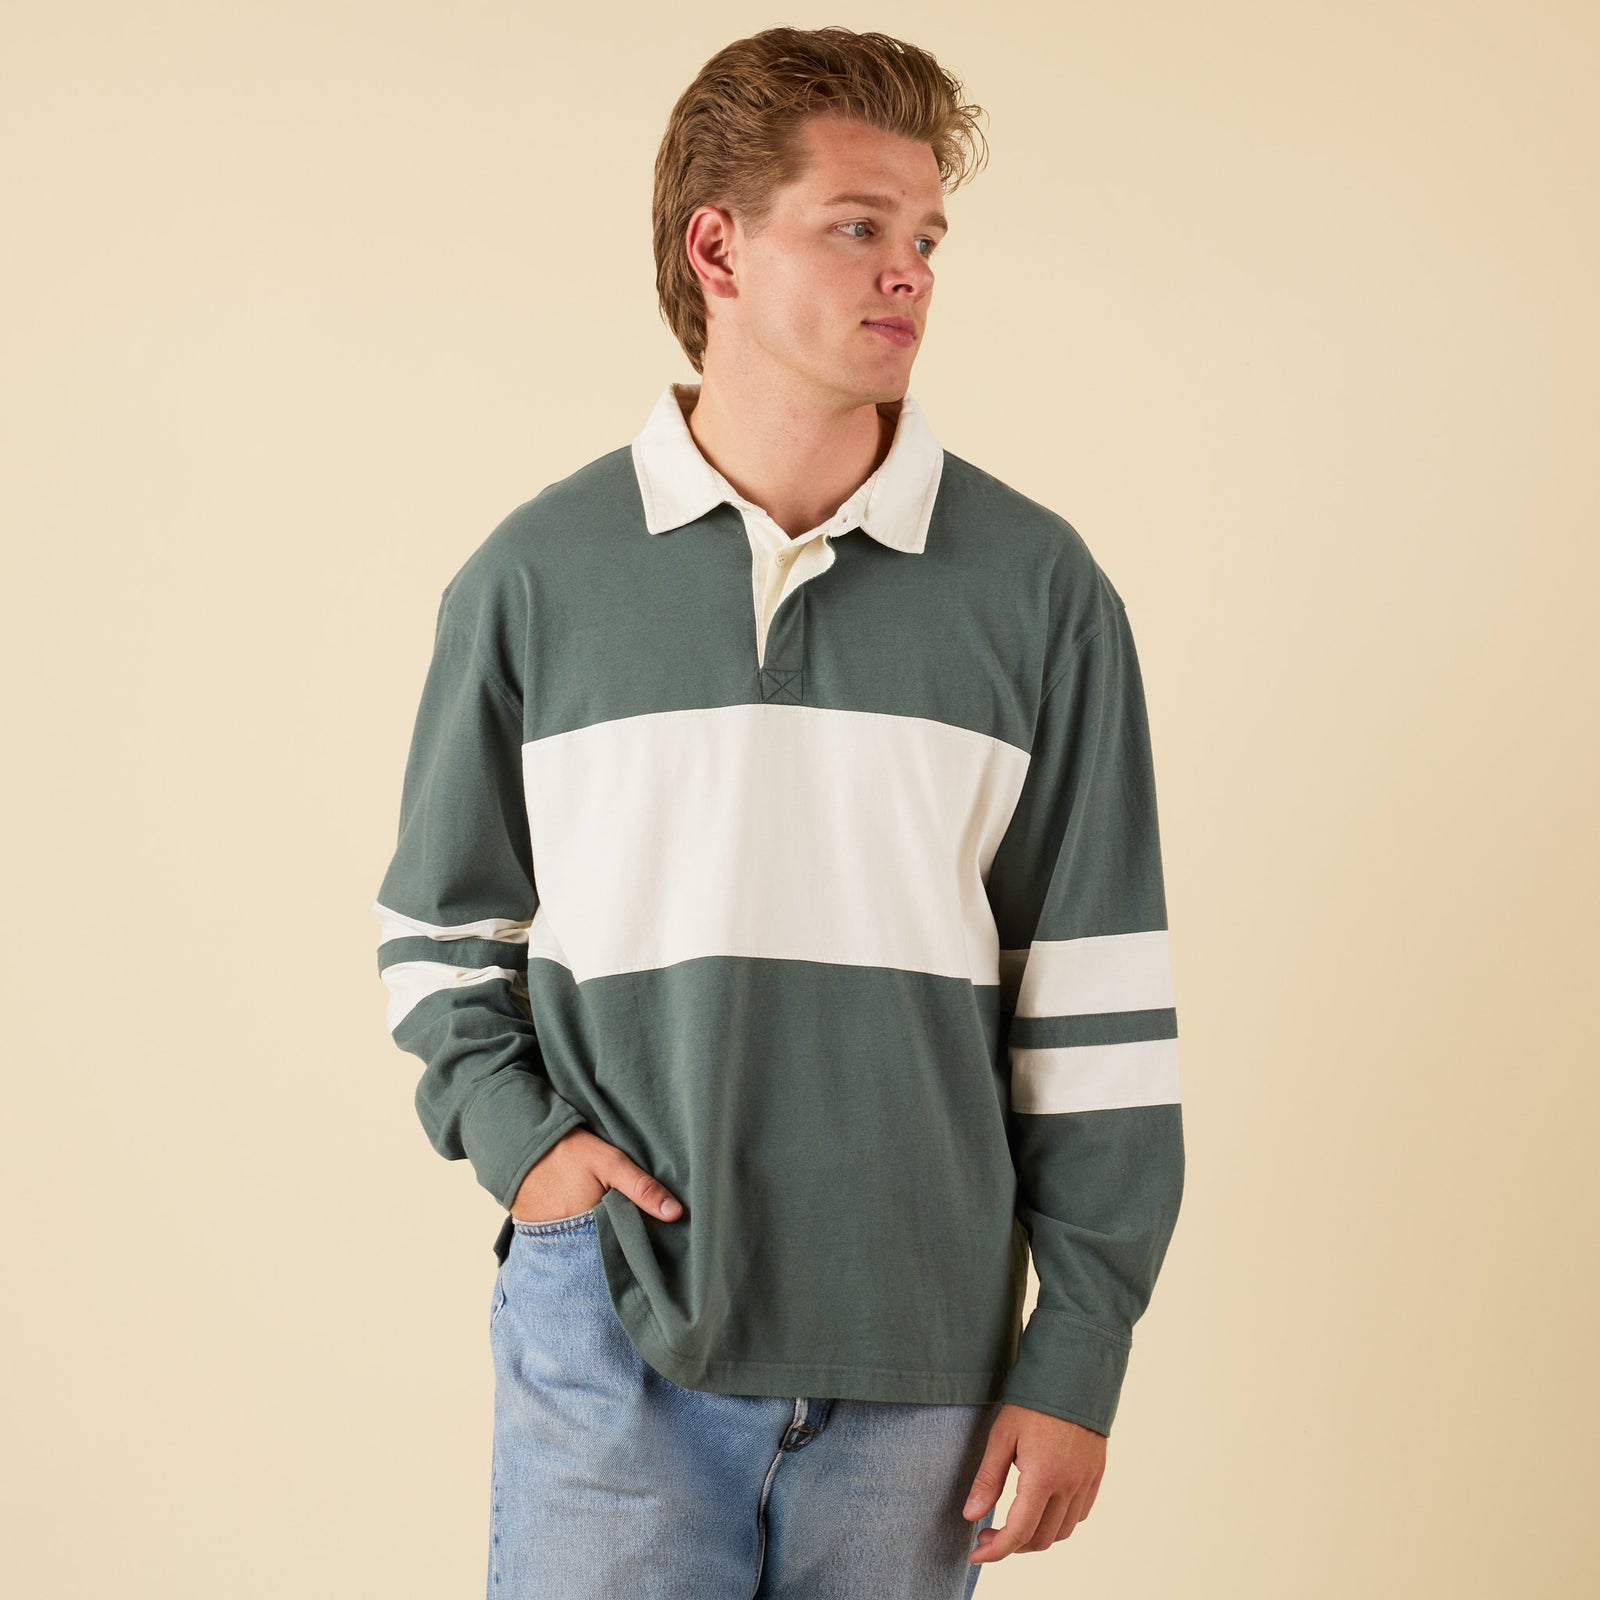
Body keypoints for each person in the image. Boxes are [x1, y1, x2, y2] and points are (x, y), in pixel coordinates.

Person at [372, 24, 1184, 1599]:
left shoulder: (1039, 593)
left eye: (928, 238)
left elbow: (1100, 1009)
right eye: (859, 226)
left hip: (925, 1365)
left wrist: (1078, 1346)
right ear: (718, 245)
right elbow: (436, 932)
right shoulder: (538, 578)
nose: (910, 275)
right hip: (611, 1334)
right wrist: (528, 1151)